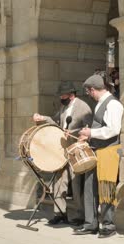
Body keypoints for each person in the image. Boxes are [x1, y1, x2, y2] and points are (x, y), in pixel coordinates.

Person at [33, 81, 93, 227]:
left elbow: (88, 128)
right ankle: (59, 213)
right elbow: (56, 121)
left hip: (75, 150)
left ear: (71, 95)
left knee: (76, 183)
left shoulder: (83, 107)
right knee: (59, 182)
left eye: (63, 95)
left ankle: (80, 215)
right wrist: (42, 118)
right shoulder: (64, 106)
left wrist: (72, 132)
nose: (60, 97)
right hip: (62, 150)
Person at [74, 74, 123, 238]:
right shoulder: (101, 103)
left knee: (106, 189)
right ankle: (91, 224)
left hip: (108, 152)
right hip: (96, 150)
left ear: (93, 89)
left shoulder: (113, 104)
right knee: (90, 187)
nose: (89, 94)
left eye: (89, 91)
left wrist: (91, 132)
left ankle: (108, 225)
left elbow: (113, 129)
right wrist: (88, 135)